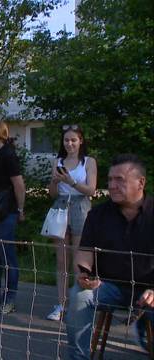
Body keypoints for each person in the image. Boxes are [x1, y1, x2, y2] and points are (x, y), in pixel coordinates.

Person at [65, 154, 153, 359]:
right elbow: (85, 254)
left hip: (150, 291)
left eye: (119, 180)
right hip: (108, 287)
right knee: (79, 295)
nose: (112, 185)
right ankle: (79, 357)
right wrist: (83, 274)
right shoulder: (98, 215)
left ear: (141, 183)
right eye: (110, 180)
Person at [45, 125, 97, 321]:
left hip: (81, 207)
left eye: (73, 140)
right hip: (60, 206)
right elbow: (52, 193)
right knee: (61, 260)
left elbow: (91, 190)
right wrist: (56, 182)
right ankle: (61, 303)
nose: (70, 144)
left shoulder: (89, 162)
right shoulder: (58, 161)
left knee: (79, 260)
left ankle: (78, 304)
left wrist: (71, 181)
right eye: (66, 140)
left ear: (81, 141)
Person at [0, 119, 25, 314]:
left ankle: (9, 299)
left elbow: (18, 184)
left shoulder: (8, 155)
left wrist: (20, 208)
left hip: (6, 211)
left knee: (7, 257)